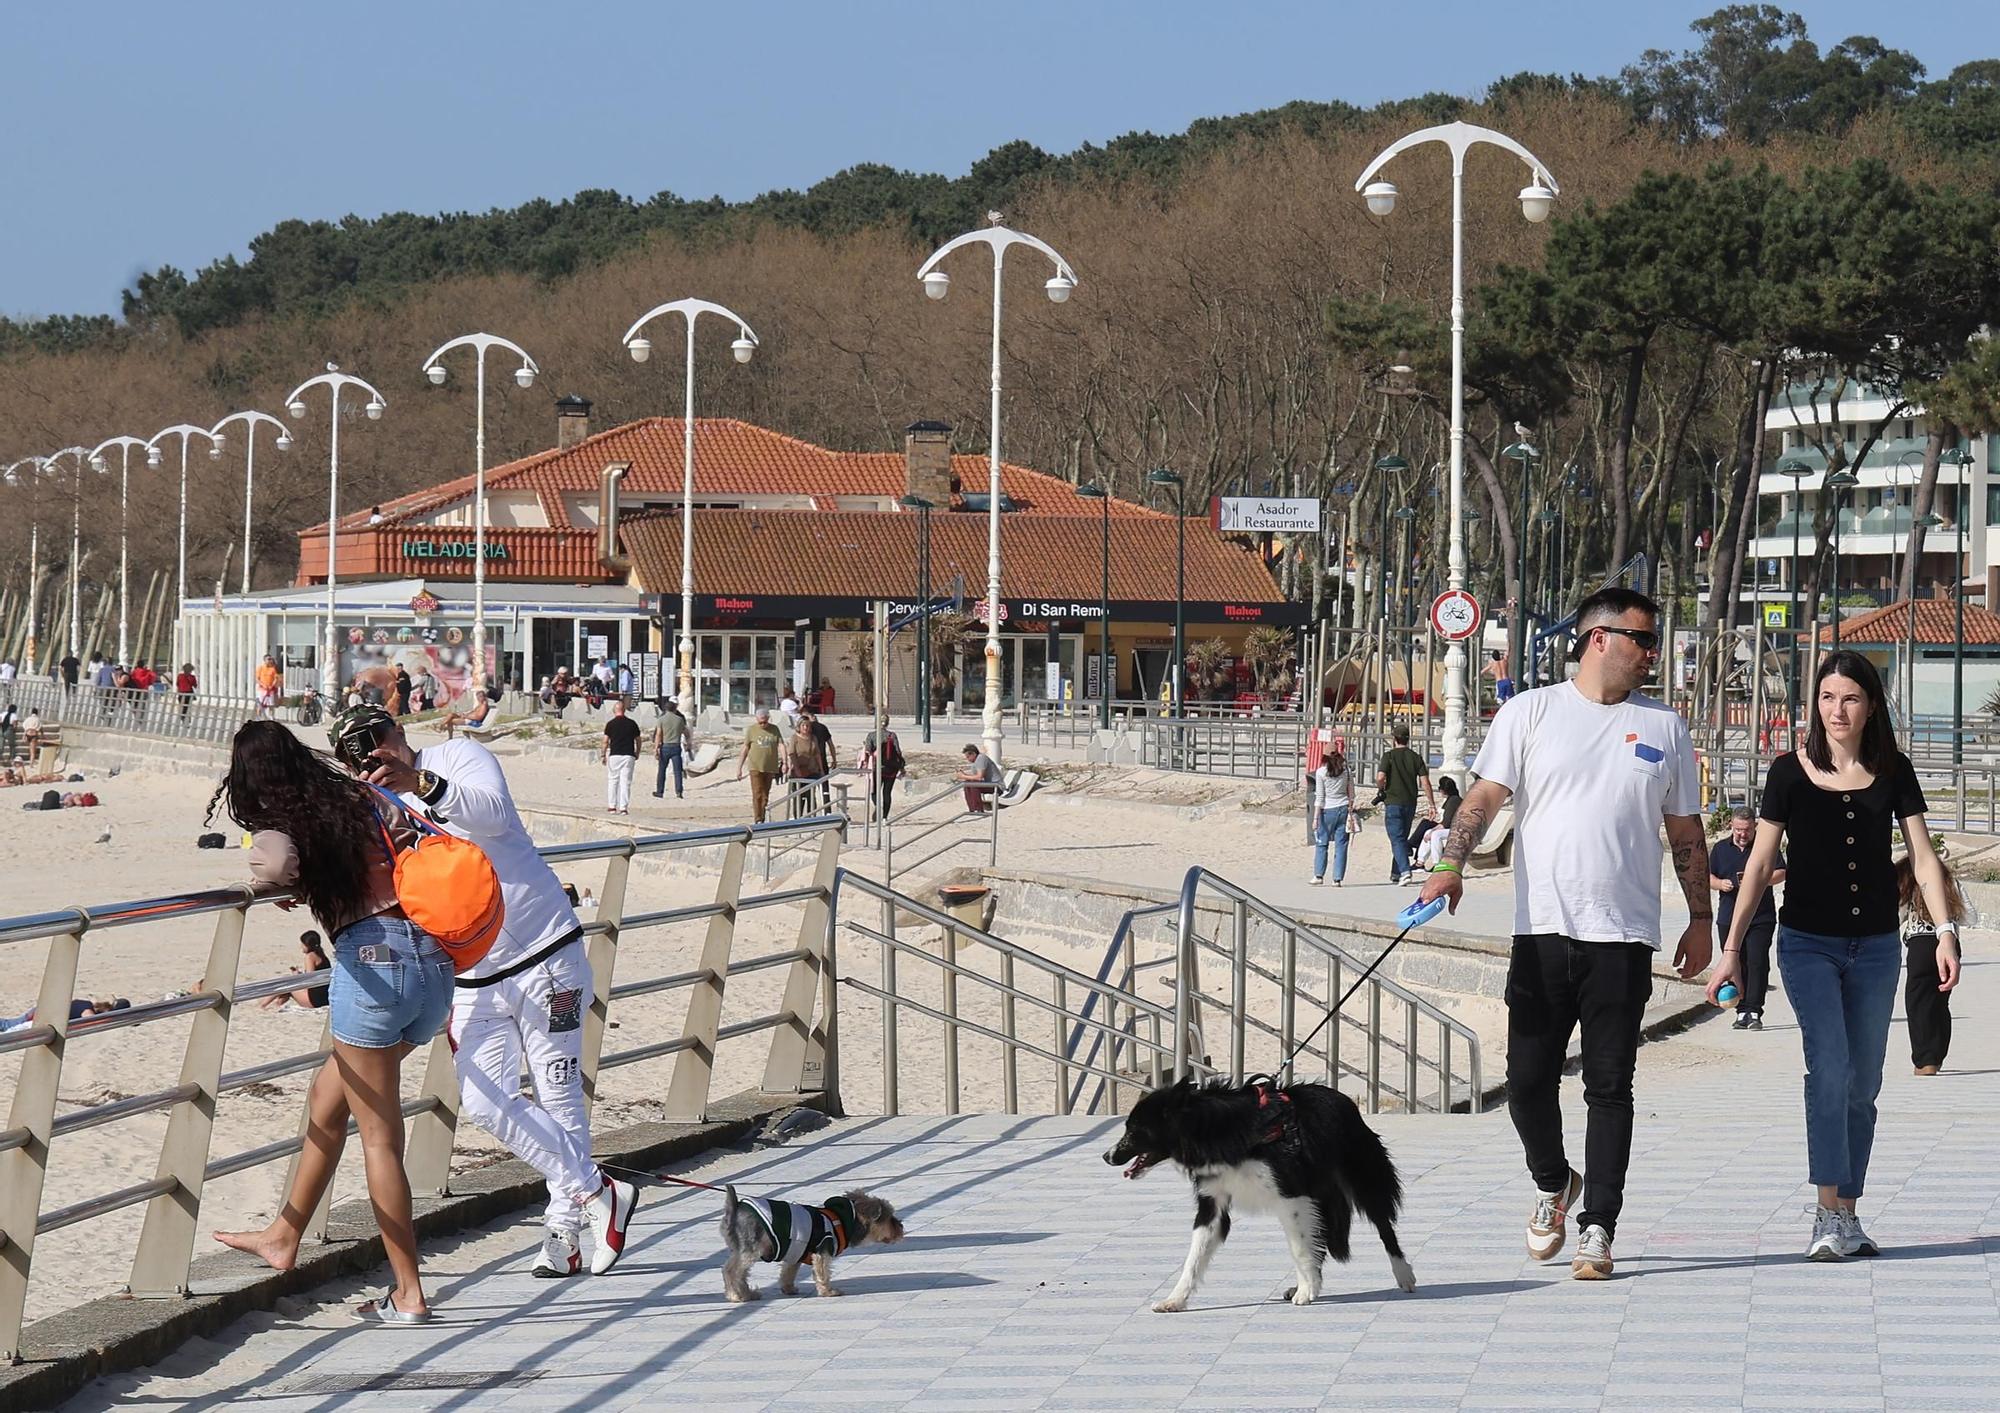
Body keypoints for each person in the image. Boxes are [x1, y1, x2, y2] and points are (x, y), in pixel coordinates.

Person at [217, 706, 638, 1283]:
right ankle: (593, 1190)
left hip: (546, 953)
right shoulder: (372, 801)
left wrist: (422, 783)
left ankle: (567, 1225)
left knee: (558, 1095)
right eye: (350, 750)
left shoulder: (455, 758)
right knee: (487, 1104)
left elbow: (492, 815)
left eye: (370, 737)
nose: (366, 754)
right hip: (467, 970)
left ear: (394, 731)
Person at [1419, 586, 1709, 1282]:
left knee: (1610, 1086)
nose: (1652, 655)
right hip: (1543, 932)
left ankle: (1598, 1225)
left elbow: (1686, 833)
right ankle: (1555, 1181)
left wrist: (1702, 919)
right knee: (1526, 1083)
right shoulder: (1530, 712)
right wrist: (1451, 864)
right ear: (1598, 638)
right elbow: (1484, 797)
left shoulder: (1664, 726)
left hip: (1624, 936)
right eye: (1642, 640)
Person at [1708, 650, 1959, 1261]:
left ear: (1871, 704)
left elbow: (1922, 858)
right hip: (1807, 944)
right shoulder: (1788, 772)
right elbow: (1761, 864)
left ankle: (1849, 1210)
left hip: (1876, 946)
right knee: (1830, 1068)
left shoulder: (1893, 770)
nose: (1836, 709)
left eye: (1849, 698)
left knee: (1864, 1080)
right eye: (1826, 698)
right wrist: (1733, 948)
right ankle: (1826, 1213)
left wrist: (1945, 928)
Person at [210, 720, 452, 1321]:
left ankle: (409, 1292)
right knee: (328, 1095)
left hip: (374, 968)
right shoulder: (359, 794)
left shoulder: (284, 823)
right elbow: (407, 831)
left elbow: (274, 863)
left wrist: (280, 885)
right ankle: (283, 1237)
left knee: (380, 1138)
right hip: (431, 965)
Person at [1708, 806, 1787, 1031]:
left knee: (1757, 961)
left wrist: (1760, 880)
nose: (1743, 834)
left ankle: (1753, 1009)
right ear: (1731, 826)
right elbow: (1708, 876)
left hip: (1760, 917)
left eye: (1748, 830)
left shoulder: (1764, 848)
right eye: (1738, 830)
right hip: (1728, 916)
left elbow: (1781, 872)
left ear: (1755, 828)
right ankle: (1740, 1008)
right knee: (1735, 962)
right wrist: (1720, 884)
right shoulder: (1720, 849)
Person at [1898, 853, 1968, 1076]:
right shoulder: (1951, 884)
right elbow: (1971, 917)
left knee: (1917, 1004)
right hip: (1949, 945)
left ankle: (1924, 1061)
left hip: (1920, 945)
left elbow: (1896, 915)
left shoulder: (1915, 884)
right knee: (1940, 1003)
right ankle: (1936, 1057)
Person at [1376, 724, 1435, 885]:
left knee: (1396, 838)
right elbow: (1425, 782)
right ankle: (1396, 872)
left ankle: (1404, 871)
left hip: (1393, 801)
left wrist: (1381, 788)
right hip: (1410, 802)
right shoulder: (1416, 757)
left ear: (1394, 739)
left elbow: (1380, 777)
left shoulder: (1388, 756)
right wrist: (1431, 804)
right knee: (1401, 838)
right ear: (1408, 739)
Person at [1309, 744, 1354, 886]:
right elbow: (1351, 792)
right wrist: (1351, 809)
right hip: (1343, 807)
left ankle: (1319, 875)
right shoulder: (1345, 770)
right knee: (1341, 845)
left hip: (1327, 809)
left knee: (1322, 843)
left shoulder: (1321, 772)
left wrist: (1315, 818)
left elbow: (1320, 797)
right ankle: (1337, 878)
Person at [258, 932, 333, 1011]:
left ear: (307, 945)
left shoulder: (310, 957)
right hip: (324, 998)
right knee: (289, 986)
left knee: (286, 981)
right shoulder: (323, 956)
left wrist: (297, 976)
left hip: (314, 1000)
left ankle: (262, 1005)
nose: (301, 946)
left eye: (302, 944)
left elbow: (309, 980)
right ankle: (277, 1004)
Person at [738, 707, 784, 823]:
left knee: (765, 794)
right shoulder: (751, 730)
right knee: (757, 793)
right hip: (755, 766)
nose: (763, 724)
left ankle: (762, 817)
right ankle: (757, 818)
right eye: (760, 722)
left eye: (765, 722)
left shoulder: (774, 729)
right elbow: (745, 748)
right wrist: (739, 767)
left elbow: (781, 745)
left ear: (768, 719)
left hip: (770, 766)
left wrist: (785, 761)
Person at [785, 713, 829, 817]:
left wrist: (821, 769)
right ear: (799, 727)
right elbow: (792, 754)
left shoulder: (813, 738)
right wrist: (796, 770)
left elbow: (817, 754)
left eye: (807, 725)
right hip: (798, 770)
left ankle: (811, 816)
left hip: (812, 770)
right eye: (803, 725)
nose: (805, 727)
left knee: (811, 796)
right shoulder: (794, 738)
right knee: (799, 796)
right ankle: (798, 817)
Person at [602, 699, 641, 814]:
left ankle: (612, 806)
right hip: (628, 755)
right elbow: (638, 740)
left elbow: (605, 741)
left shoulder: (610, 724)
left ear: (614, 711)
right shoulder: (632, 723)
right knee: (626, 781)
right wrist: (637, 752)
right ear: (624, 710)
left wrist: (603, 754)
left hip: (615, 755)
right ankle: (623, 807)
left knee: (613, 780)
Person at [860, 724, 906, 820]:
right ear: (888, 723)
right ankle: (885, 817)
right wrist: (901, 767)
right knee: (887, 792)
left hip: (877, 768)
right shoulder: (892, 735)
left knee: (874, 791)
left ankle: (878, 806)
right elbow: (898, 751)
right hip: (891, 769)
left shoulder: (871, 735)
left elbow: (868, 751)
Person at [652, 697, 693, 799]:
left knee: (662, 770)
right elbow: (687, 733)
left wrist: (656, 748)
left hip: (665, 746)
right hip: (676, 746)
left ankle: (660, 791)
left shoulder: (661, 719)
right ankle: (679, 791)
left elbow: (658, 734)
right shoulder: (679, 719)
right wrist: (688, 743)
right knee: (677, 771)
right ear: (675, 708)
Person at [798, 709, 836, 810]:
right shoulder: (822, 727)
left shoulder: (805, 729)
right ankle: (827, 811)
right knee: (824, 789)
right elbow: (831, 745)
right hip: (822, 760)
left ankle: (804, 811)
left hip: (809, 763)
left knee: (806, 789)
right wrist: (834, 759)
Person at [958, 743, 1000, 813]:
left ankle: (978, 809)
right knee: (968, 783)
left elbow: (979, 777)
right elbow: (975, 777)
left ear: (973, 754)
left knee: (973, 785)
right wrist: (964, 775)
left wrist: (963, 776)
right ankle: (972, 809)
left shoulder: (981, 758)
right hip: (989, 785)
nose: (967, 759)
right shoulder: (975, 762)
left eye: (968, 757)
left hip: (997, 786)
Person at [254, 655, 282, 719]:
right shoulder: (260, 668)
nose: (270, 660)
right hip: (262, 690)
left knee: (271, 705)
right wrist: (263, 685)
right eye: (268, 659)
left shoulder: (272, 669)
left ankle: (271, 718)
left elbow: (275, 678)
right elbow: (257, 679)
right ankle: (259, 718)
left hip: (270, 690)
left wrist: (272, 685)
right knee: (260, 704)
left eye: (271, 659)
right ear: (265, 660)